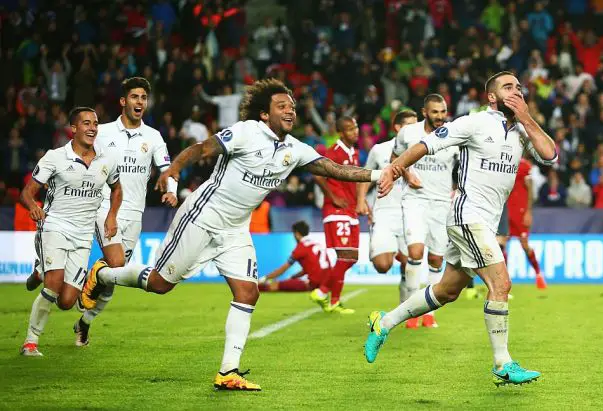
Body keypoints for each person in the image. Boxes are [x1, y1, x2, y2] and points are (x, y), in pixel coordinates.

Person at [80, 79, 390, 391]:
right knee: (160, 284)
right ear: (265, 114)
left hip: (236, 229)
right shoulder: (246, 132)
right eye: (282, 106)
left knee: (248, 293)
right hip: (202, 216)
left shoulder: (295, 149)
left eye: (292, 107)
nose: (290, 111)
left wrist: (380, 174)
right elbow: (202, 149)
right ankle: (103, 274)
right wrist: (174, 168)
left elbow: (335, 169)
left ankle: (228, 372)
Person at [366, 71, 557, 386]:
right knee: (501, 284)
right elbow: (426, 144)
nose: (516, 91)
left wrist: (526, 118)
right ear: (492, 97)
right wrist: (394, 169)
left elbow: (550, 156)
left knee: (447, 291)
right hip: (468, 215)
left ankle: (383, 323)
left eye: (519, 88)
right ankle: (503, 363)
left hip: (485, 221)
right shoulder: (475, 122)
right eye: (508, 87)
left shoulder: (522, 131)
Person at [24, 77, 179, 347]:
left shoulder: (153, 137)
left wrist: (172, 190)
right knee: (115, 263)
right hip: (104, 207)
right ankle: (61, 271)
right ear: (123, 101)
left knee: (113, 280)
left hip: (135, 213)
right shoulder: (102, 131)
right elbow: (80, 158)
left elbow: (167, 169)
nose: (140, 102)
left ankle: (84, 321)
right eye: (135, 97)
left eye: (143, 97)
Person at [19, 107, 122, 357]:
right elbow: (27, 193)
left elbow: (117, 189)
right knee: (53, 284)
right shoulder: (55, 157)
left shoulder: (107, 159)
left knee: (66, 301)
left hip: (83, 235)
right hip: (55, 226)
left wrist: (111, 215)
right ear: (73, 129)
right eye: (86, 123)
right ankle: (30, 342)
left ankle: (40, 270)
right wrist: (34, 207)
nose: (92, 128)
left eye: (95, 123)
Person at [392, 94, 459, 329]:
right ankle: (410, 310)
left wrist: (458, 188)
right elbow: (395, 157)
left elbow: (463, 166)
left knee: (436, 259)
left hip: (442, 204)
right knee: (415, 252)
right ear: (424, 112)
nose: (440, 116)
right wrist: (407, 174)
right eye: (435, 112)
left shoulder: (454, 134)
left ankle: (429, 312)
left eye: (443, 111)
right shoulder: (408, 133)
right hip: (415, 200)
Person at [357, 110, 416, 308]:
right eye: (410, 125)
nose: (415, 129)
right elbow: (365, 175)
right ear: (398, 127)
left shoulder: (423, 150)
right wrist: (361, 200)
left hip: (410, 214)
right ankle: (393, 251)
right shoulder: (380, 150)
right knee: (382, 265)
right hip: (384, 213)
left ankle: (406, 307)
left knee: (410, 265)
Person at [310, 116, 361, 314]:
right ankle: (326, 294)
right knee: (346, 256)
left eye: (355, 127)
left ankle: (330, 298)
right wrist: (333, 197)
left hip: (350, 209)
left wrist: (361, 202)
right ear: (341, 133)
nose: (355, 131)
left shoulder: (354, 152)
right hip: (337, 210)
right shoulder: (334, 152)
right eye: (350, 129)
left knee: (351, 257)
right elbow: (317, 175)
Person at [258, 221, 336, 292]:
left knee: (275, 285)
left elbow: (283, 269)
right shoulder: (315, 244)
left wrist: (265, 278)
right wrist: (293, 277)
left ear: (297, 234)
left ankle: (254, 287)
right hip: (329, 283)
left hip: (314, 284)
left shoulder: (300, 248)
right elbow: (311, 269)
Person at [507, 157, 546, 289]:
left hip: (520, 210)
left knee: (524, 244)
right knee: (501, 244)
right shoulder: (503, 160)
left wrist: (528, 211)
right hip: (505, 209)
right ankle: (503, 280)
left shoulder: (525, 166)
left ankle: (538, 273)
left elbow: (530, 188)